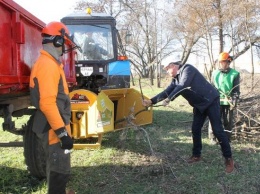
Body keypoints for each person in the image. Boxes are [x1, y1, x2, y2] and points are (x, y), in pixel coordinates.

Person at [142, 61, 235, 173]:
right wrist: (151, 101)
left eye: (167, 69)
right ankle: (196, 155)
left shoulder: (187, 69)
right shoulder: (176, 80)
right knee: (195, 129)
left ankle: (228, 159)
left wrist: (169, 99)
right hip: (199, 105)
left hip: (210, 100)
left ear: (173, 66)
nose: (167, 72)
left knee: (217, 130)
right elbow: (167, 91)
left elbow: (183, 85)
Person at [29, 21, 77, 194]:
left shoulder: (51, 63)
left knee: (56, 166)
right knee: (59, 170)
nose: (64, 46)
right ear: (57, 41)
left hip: (53, 126)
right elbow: (47, 103)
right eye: (63, 42)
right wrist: (62, 133)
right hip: (53, 129)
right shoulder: (48, 65)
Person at [209, 52, 240, 142]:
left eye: (223, 62)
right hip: (216, 101)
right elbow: (211, 87)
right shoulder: (214, 73)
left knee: (227, 121)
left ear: (228, 62)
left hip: (228, 101)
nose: (221, 64)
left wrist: (234, 99)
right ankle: (213, 138)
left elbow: (236, 89)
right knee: (214, 120)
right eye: (220, 62)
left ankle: (226, 138)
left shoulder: (235, 74)